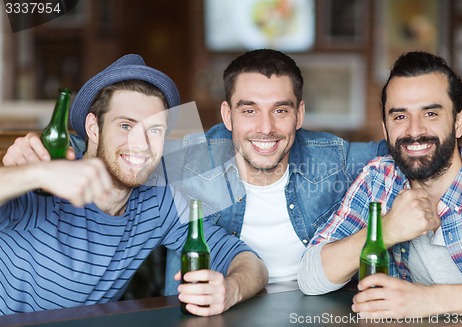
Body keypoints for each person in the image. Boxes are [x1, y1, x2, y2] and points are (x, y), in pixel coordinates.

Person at [4, 50, 462, 296]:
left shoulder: (332, 156)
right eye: (248, 110)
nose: (265, 127)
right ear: (224, 114)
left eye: (281, 111)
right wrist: (33, 166)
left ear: (300, 115)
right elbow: (111, 146)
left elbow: (415, 146)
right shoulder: (188, 149)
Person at [0, 54, 268, 316]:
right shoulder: (46, 184)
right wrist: (33, 174)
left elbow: (248, 261)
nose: (141, 145)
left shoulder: (159, 202)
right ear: (93, 129)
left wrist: (230, 290)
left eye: (154, 130)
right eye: (126, 126)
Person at [297, 51, 462, 318]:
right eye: (400, 116)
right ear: (385, 128)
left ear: (459, 122)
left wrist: (429, 300)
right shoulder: (379, 178)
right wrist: (386, 229)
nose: (414, 131)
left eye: (430, 114)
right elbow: (310, 277)